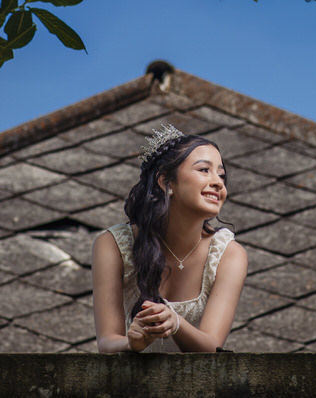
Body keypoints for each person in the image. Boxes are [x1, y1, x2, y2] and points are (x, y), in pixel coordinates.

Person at [92, 123, 247, 353]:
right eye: (204, 170)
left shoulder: (229, 255)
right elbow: (106, 342)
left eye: (221, 175)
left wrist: (175, 323)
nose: (218, 182)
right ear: (166, 182)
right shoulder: (113, 245)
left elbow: (212, 347)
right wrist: (131, 342)